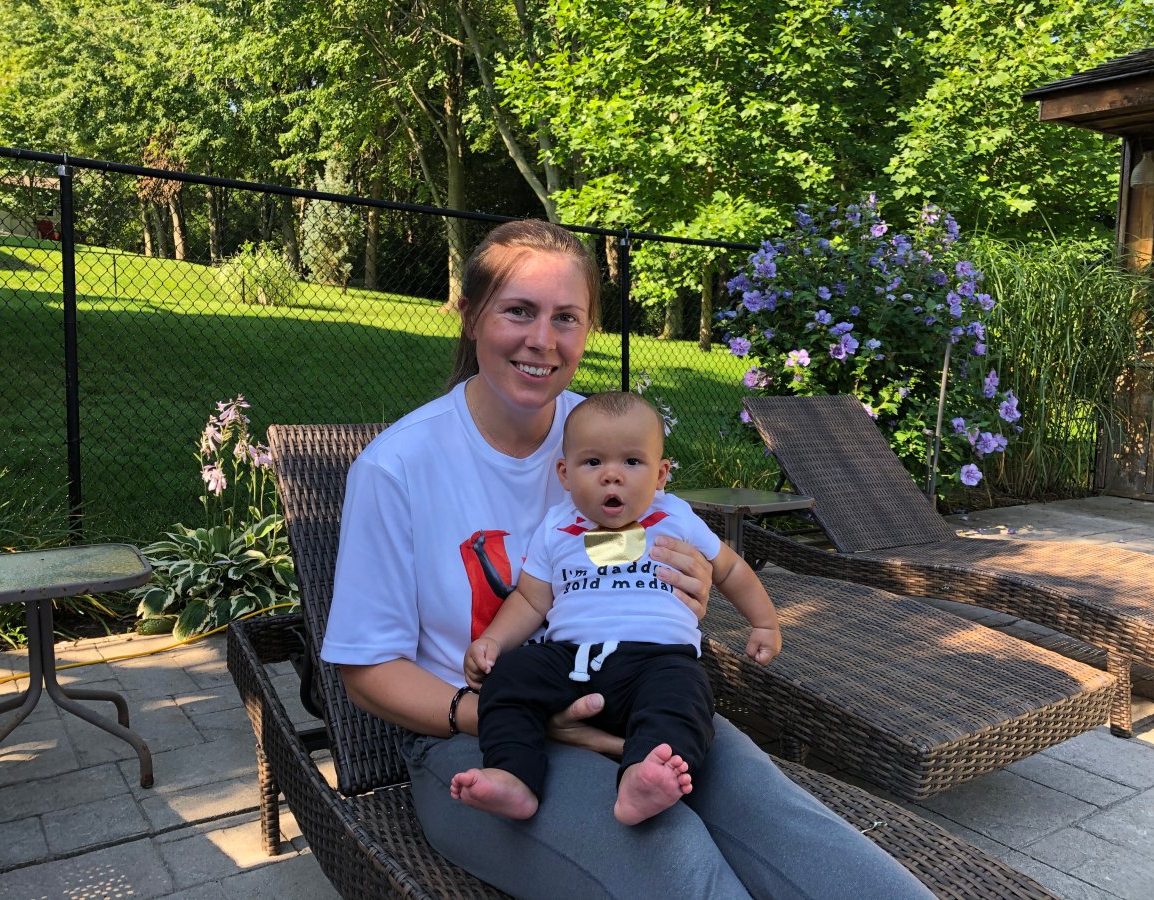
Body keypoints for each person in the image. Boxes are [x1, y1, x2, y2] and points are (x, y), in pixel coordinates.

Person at [323, 219, 933, 899]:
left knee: (809, 843)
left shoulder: (606, 437)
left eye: (566, 317)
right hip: (472, 739)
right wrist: (509, 714)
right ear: (469, 317)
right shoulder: (399, 470)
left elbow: (637, 556)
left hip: (639, 697)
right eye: (518, 311)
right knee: (678, 869)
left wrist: (687, 583)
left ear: (587, 331)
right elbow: (367, 669)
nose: (542, 340)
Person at [451, 390, 782, 826]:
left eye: (631, 462)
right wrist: (492, 639)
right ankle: (513, 773)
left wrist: (764, 622)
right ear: (565, 474)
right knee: (509, 680)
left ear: (661, 474)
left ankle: (642, 780)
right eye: (593, 463)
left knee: (685, 697)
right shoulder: (556, 526)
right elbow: (532, 599)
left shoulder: (675, 517)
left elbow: (730, 569)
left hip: (658, 660)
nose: (612, 477)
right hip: (571, 661)